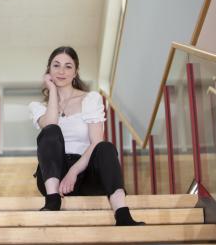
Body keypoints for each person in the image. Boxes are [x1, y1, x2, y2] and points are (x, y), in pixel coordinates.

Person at [28, 46, 144, 226]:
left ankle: (122, 214)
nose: (61, 71)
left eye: (68, 66)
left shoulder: (91, 99)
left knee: (105, 146)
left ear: (76, 72)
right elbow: (50, 123)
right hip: (53, 177)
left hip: (85, 172)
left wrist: (73, 172)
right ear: (48, 70)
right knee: (51, 130)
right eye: (56, 65)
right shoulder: (38, 107)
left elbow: (96, 142)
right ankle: (52, 201)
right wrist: (52, 90)